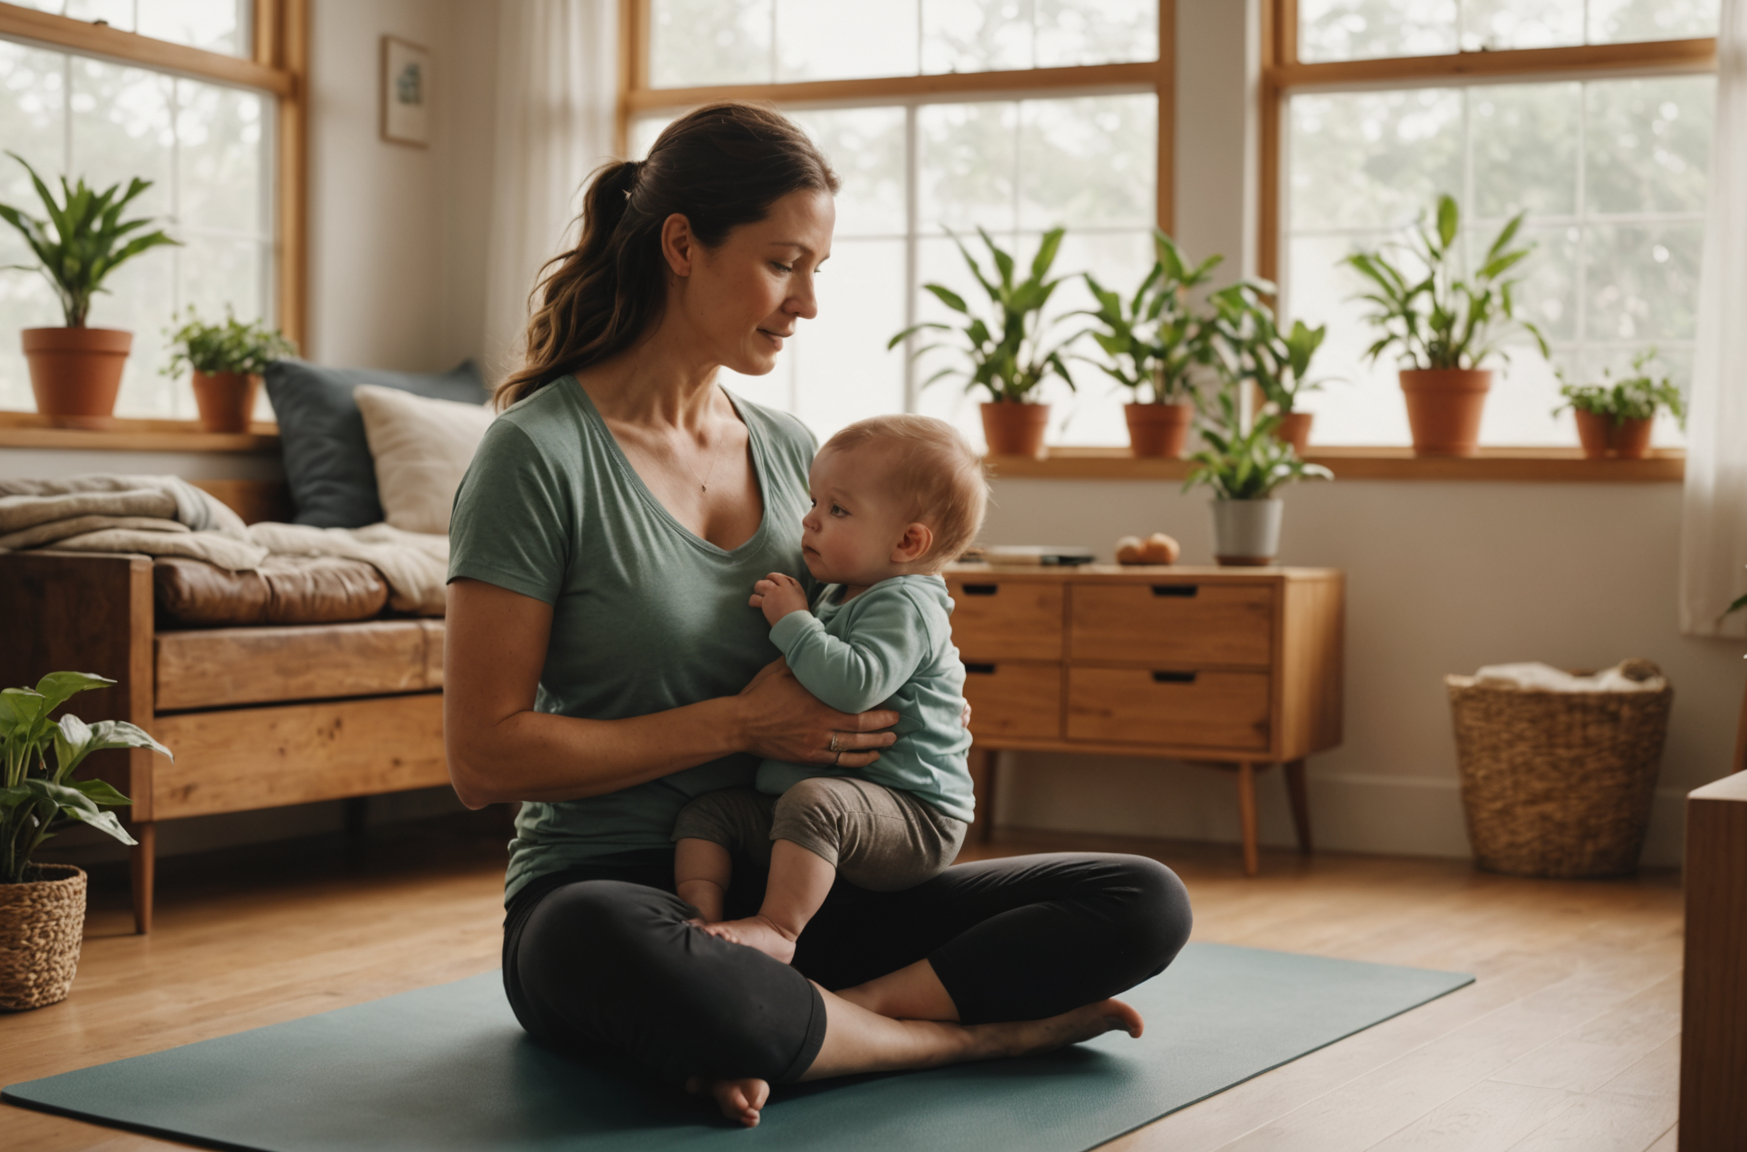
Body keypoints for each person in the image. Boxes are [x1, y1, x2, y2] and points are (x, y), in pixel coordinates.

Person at [444, 102, 1192, 1130]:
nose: (806, 304)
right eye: (785, 263)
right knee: (598, 947)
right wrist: (741, 727)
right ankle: (965, 1039)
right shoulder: (536, 454)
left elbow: (890, 635)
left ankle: (799, 1027)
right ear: (680, 245)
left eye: (817, 270)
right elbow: (485, 760)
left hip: (805, 884)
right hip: (618, 890)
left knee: (1141, 900)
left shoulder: (803, 453)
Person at [673, 415, 984, 964]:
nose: (810, 521)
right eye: (814, 502)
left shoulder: (906, 601)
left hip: (914, 817)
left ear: (908, 541)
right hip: (832, 811)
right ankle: (700, 922)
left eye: (837, 510)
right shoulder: (846, 589)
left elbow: (853, 684)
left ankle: (777, 928)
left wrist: (792, 621)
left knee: (814, 803)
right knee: (709, 814)